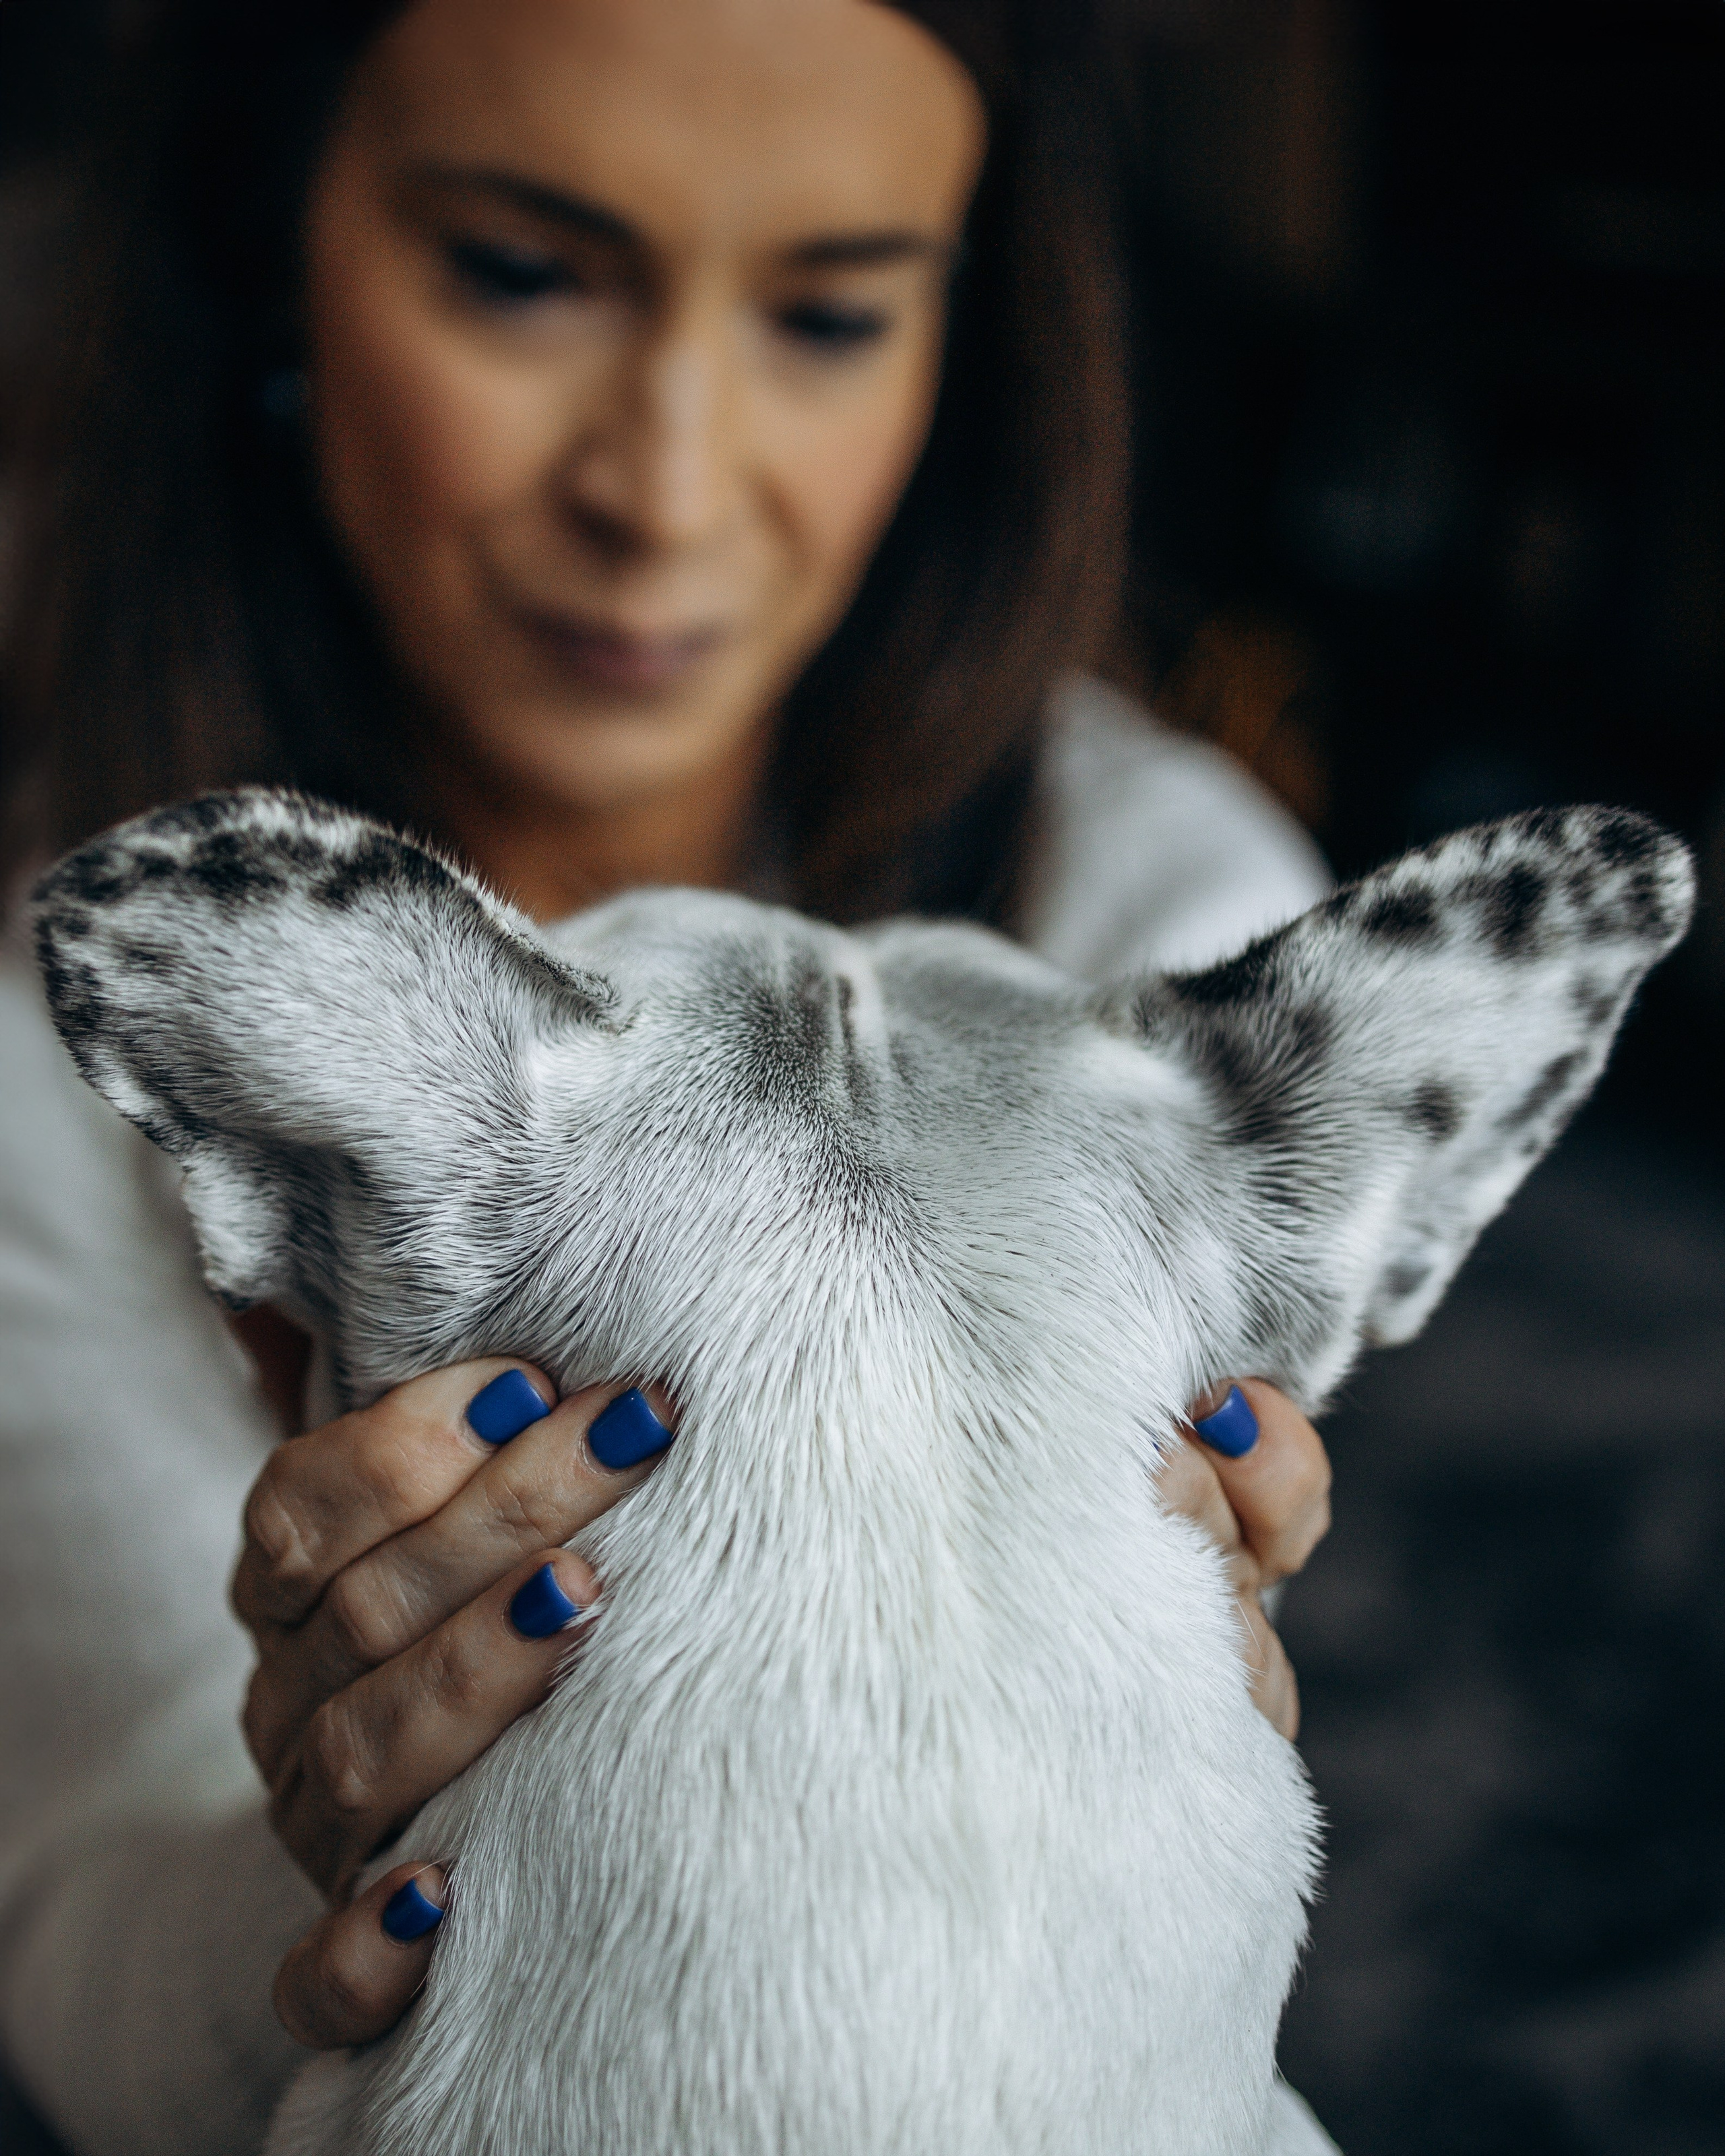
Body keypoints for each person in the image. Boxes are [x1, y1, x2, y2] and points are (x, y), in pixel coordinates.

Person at [0, 2, 1336, 2149]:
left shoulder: (1177, 931)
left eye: (827, 313)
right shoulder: (40, 1052)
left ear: (963, 342)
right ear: (275, 249)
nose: (670, 486)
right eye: (522, 277)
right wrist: (339, 1849)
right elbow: (71, 1930)